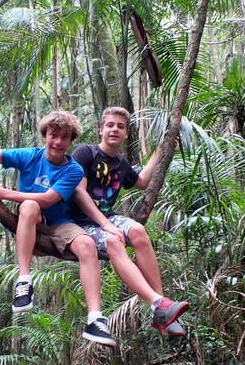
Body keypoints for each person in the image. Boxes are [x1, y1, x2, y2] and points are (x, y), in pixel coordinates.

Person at [0, 109, 117, 346]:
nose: (57, 142)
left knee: (87, 244)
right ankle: (24, 281)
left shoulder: (73, 170)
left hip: (59, 224)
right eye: (53, 135)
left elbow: (49, 199)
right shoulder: (30, 156)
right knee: (29, 206)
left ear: (71, 140)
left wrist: (4, 193)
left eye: (64, 137)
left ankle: (95, 318)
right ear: (45, 135)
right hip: (32, 222)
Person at [69, 106, 189, 337]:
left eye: (120, 126)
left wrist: (161, 150)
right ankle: (158, 304)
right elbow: (78, 192)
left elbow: (142, 182)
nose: (115, 129)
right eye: (110, 125)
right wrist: (106, 225)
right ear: (101, 129)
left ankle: (162, 308)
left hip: (108, 218)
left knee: (138, 231)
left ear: (126, 133)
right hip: (80, 222)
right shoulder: (86, 153)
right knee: (114, 240)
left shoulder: (121, 163)